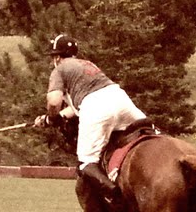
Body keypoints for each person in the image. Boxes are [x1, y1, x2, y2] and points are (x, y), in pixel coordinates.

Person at [39, 34, 147, 199]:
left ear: (58, 57)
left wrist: (52, 117)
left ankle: (116, 196)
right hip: (120, 99)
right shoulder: (88, 65)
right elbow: (76, 108)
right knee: (147, 131)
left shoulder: (59, 68)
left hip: (96, 108)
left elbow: (54, 102)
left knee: (86, 163)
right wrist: (50, 119)